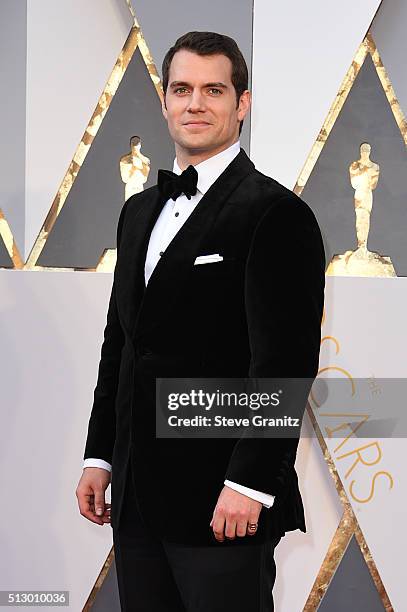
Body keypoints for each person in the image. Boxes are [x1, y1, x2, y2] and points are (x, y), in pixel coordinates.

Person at [76, 31, 326, 612]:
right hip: (137, 496)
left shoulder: (277, 214)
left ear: (242, 104)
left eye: (214, 90)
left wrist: (249, 485)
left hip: (223, 501)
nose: (195, 104)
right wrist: (100, 455)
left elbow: (284, 366)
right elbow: (122, 343)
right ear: (164, 101)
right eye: (182, 89)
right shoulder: (137, 212)